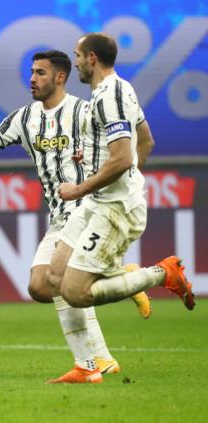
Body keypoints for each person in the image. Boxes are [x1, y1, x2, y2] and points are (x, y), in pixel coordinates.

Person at [0, 50, 151, 382]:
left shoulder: (85, 111)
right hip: (58, 213)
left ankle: (94, 362)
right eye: (32, 72)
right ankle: (120, 282)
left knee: (58, 279)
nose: (32, 79)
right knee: (40, 287)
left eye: (40, 72)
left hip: (85, 205)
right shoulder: (24, 118)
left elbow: (127, 141)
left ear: (60, 77)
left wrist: (107, 177)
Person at [46, 33, 195, 383]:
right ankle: (88, 367)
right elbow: (146, 141)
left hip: (113, 208)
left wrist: (83, 187)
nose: (76, 61)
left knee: (76, 292)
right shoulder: (120, 89)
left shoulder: (109, 97)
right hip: (99, 201)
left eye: (78, 55)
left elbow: (124, 156)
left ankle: (161, 274)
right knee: (55, 275)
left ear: (92, 58)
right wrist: (124, 177)